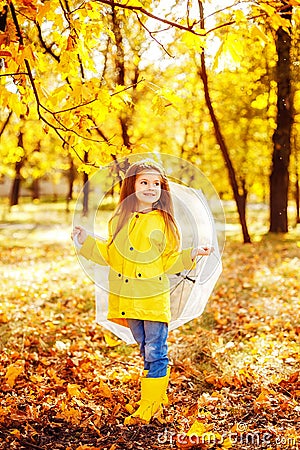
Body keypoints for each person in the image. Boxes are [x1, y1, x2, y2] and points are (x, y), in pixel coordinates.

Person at [71, 159, 213, 425]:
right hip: (128, 298)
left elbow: (170, 260)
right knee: (144, 347)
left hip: (153, 297)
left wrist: (192, 254)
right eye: (144, 182)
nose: (151, 188)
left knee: (155, 351)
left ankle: (150, 404)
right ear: (131, 186)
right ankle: (156, 395)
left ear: (163, 188)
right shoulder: (119, 220)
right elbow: (111, 255)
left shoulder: (164, 222)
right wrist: (86, 240)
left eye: (156, 184)